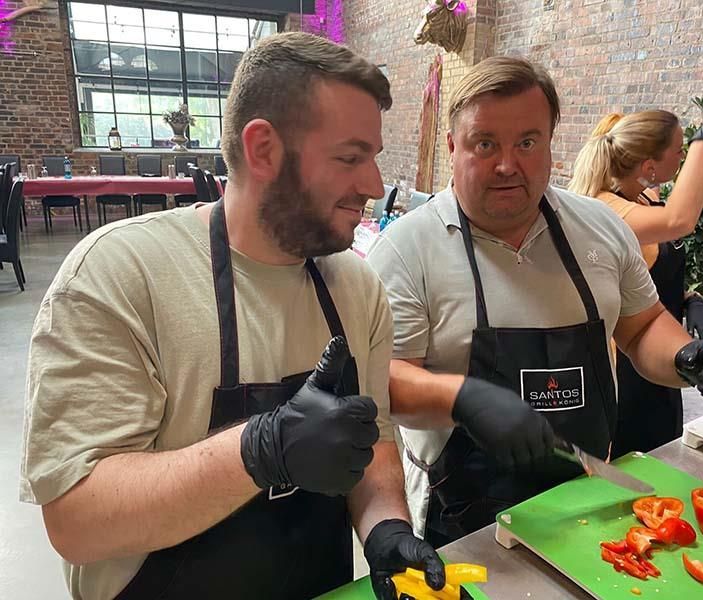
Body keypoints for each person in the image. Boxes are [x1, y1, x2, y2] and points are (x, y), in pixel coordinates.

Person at [20, 33, 444, 600]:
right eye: (350, 158)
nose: (372, 185)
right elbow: (77, 520)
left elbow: (374, 439)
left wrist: (385, 525)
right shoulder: (119, 275)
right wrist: (258, 450)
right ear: (263, 149)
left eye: (373, 158)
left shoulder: (356, 287)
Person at [366, 56, 703, 547]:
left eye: (527, 142)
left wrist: (687, 356)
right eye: (485, 144)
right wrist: (462, 399)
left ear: (551, 143)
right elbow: (385, 381)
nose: (508, 165)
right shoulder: (407, 249)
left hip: (587, 498)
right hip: (463, 518)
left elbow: (642, 326)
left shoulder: (601, 228)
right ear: (453, 146)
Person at [569, 101, 703, 455]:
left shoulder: (643, 199)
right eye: (679, 151)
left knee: (662, 446)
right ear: (650, 165)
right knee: (632, 454)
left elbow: (652, 269)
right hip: (628, 360)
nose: (683, 157)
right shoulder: (607, 210)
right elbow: (679, 220)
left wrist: (690, 301)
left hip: (664, 347)